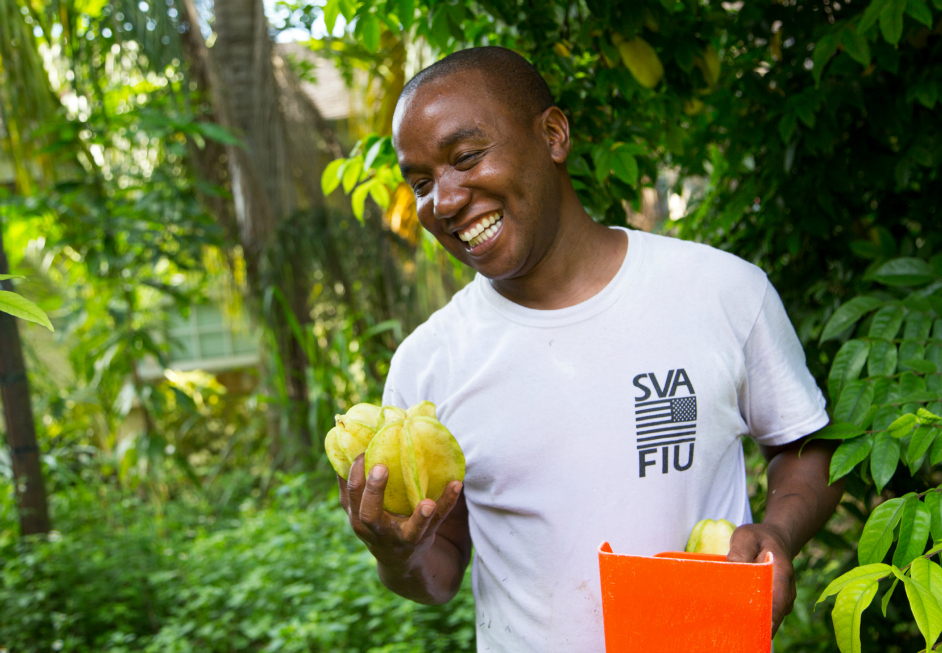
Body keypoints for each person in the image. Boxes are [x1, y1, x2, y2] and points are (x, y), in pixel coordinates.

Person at [337, 46, 844, 652]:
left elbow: (806, 444)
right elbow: (440, 569)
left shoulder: (722, 292)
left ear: (553, 135)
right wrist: (397, 554)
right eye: (421, 182)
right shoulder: (430, 364)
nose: (442, 201)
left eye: (466, 157)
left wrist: (779, 532)